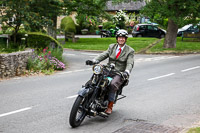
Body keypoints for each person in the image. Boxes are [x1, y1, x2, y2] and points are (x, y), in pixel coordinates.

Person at [86, 29, 134, 115]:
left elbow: (130, 63)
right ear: (117, 38)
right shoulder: (112, 46)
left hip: (119, 73)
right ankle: (88, 96)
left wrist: (127, 71)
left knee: (112, 84)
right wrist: (95, 60)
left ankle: (109, 106)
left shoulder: (130, 50)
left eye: (123, 38)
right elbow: (104, 54)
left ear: (125, 39)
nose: (121, 39)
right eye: (119, 37)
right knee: (96, 77)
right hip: (108, 69)